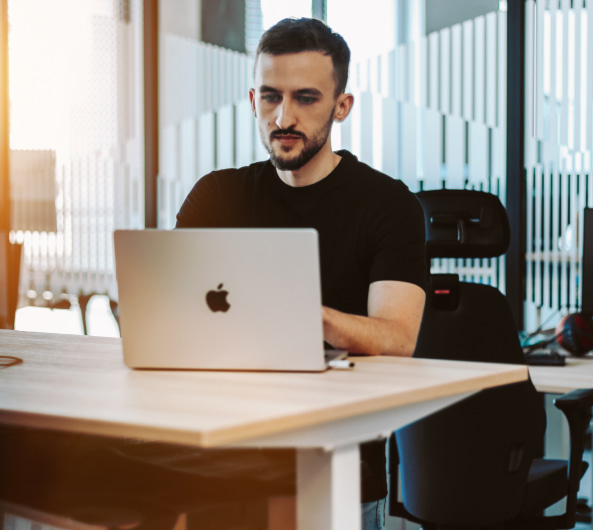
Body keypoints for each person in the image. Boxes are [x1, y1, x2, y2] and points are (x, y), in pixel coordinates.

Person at [175, 17, 427, 530]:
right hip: (219, 454)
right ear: (252, 101)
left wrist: (303, 316)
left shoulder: (387, 205)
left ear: (342, 107)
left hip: (333, 463)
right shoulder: (215, 196)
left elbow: (398, 338)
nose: (283, 116)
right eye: (270, 97)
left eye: (306, 98)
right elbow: (171, 317)